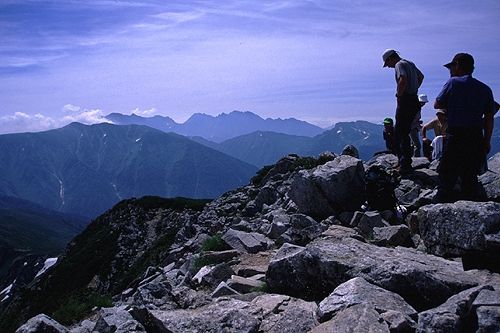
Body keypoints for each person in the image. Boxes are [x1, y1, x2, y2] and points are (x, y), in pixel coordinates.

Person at [434, 52, 495, 203]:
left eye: (452, 66)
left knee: (447, 172)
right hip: (476, 136)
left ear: (457, 66)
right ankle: (470, 204)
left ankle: (442, 205)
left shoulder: (453, 82)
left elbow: (437, 104)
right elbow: (489, 118)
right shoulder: (485, 89)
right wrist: (487, 140)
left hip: (456, 135)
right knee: (470, 174)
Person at [382, 49, 425, 173]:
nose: (389, 66)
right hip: (414, 100)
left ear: (391, 58)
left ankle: (404, 164)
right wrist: (414, 89)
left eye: (387, 63)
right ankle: (405, 162)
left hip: (405, 101)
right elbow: (421, 76)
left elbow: (403, 79)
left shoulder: (399, 64)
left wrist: (399, 95)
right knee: (405, 131)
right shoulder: (410, 63)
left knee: (400, 134)